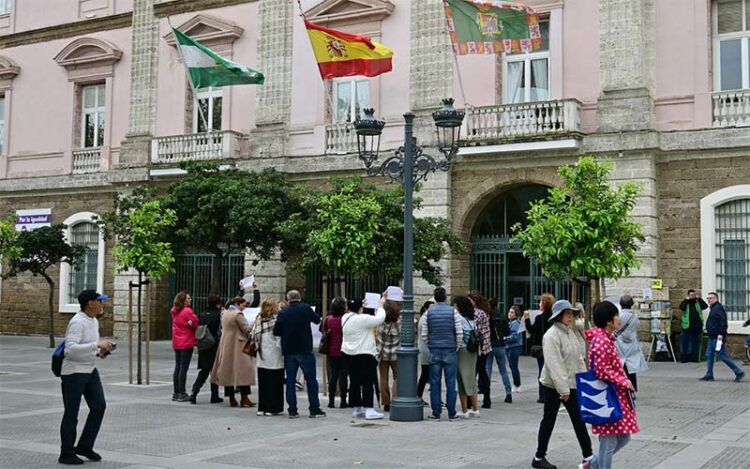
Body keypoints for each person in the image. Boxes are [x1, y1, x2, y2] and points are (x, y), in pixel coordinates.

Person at [532, 300, 593, 469]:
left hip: (570, 384)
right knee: (549, 420)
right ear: (558, 316)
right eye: (567, 313)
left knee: (578, 419)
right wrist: (564, 390)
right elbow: (555, 365)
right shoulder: (551, 336)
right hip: (554, 387)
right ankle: (539, 456)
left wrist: (584, 379)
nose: (571, 316)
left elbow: (578, 357)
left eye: (572, 313)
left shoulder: (569, 332)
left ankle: (588, 455)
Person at [58, 289, 114, 465]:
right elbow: (70, 349)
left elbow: (88, 348)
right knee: (71, 413)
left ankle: (84, 446)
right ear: (90, 303)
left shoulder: (93, 320)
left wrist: (100, 352)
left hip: (89, 370)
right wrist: (96, 344)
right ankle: (66, 453)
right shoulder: (77, 322)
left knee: (99, 406)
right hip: (73, 372)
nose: (102, 304)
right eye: (100, 301)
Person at [581, 301, 639, 469]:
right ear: (608, 321)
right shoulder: (601, 341)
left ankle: (592, 464)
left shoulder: (605, 339)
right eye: (616, 315)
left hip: (614, 395)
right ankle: (595, 465)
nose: (618, 318)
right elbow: (601, 370)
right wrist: (624, 381)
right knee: (609, 441)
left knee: (623, 437)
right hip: (606, 397)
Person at [273, 290, 327, 418]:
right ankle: (314, 408)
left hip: (289, 350)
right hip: (305, 349)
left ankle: (292, 410)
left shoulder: (283, 312)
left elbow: (276, 331)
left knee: (290, 381)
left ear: (288, 299)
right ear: (300, 298)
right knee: (311, 380)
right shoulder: (306, 308)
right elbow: (316, 320)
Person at [342, 293, 387, 420]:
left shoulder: (345, 317)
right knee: (368, 381)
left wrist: (360, 304)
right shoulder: (362, 319)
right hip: (364, 354)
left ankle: (356, 407)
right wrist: (380, 305)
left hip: (349, 354)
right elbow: (380, 318)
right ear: (360, 309)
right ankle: (369, 409)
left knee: (355, 382)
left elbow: (358, 311)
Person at [422, 287, 463, 420]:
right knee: (451, 382)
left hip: (434, 349)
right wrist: (455, 347)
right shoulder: (453, 312)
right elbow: (459, 333)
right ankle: (452, 412)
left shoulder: (429, 313)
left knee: (435, 382)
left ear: (434, 297)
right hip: (450, 349)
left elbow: (424, 334)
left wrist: (431, 345)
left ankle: (436, 412)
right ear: (445, 297)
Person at [211, 297, 256, 407]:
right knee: (244, 371)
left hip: (226, 343)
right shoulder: (238, 315)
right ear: (237, 304)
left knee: (228, 370)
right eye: (243, 305)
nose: (244, 308)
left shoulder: (225, 313)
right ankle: (244, 397)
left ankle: (231, 398)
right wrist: (254, 322)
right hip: (238, 344)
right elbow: (247, 330)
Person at [700, 292, 745, 382]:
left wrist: (720, 335)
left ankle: (738, 371)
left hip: (717, 337)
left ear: (716, 298)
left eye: (711, 298)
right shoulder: (714, 308)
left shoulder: (718, 308)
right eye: (708, 298)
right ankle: (709, 374)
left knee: (722, 356)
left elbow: (723, 323)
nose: (708, 300)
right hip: (712, 336)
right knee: (709, 355)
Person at [251, 297, 284, 416]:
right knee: (274, 382)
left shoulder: (259, 319)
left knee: (263, 382)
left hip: (261, 354)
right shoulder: (276, 321)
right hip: (274, 354)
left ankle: (262, 407)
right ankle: (272, 408)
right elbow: (279, 338)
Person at [189, 293, 223, 404]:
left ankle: (194, 392)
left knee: (204, 371)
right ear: (218, 304)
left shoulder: (202, 315)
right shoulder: (218, 315)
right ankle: (214, 395)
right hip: (214, 345)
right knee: (214, 371)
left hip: (204, 345)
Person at [526, 293, 555, 403]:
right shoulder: (554, 317)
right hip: (552, 347)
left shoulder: (539, 318)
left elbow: (531, 329)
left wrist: (527, 319)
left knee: (542, 371)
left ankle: (542, 395)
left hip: (541, 348)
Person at [615, 295, 647, 391]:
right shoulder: (634, 317)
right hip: (632, 343)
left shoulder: (618, 316)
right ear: (631, 305)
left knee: (621, 365)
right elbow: (636, 327)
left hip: (620, 343)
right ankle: (633, 387)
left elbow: (616, 328)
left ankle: (623, 386)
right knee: (631, 367)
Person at [454, 295, 480, 418]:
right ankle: (475, 408)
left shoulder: (458, 318)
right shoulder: (471, 318)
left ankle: (465, 410)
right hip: (473, 351)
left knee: (461, 379)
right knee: (471, 379)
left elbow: (459, 334)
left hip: (462, 350)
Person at [171, 291, 198, 402]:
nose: (190, 299)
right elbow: (196, 323)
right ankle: (182, 392)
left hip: (177, 341)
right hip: (186, 341)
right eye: (188, 298)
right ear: (183, 301)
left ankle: (176, 392)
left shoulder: (174, 311)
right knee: (184, 367)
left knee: (178, 366)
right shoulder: (187, 311)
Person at [376, 290, 402, 412]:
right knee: (397, 377)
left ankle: (386, 402)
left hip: (383, 353)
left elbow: (378, 309)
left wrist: (383, 297)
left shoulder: (380, 321)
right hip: (396, 354)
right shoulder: (400, 320)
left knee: (383, 377)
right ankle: (395, 399)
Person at [322, 297, 349, 409]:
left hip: (331, 351)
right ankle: (343, 400)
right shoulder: (345, 319)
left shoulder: (328, 319)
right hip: (344, 350)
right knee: (343, 375)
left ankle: (331, 401)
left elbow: (323, 330)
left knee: (333, 376)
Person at [468, 291, 493, 408]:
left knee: (474, 373)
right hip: (485, 346)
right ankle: (487, 398)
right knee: (482, 372)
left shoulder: (477, 313)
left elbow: (473, 328)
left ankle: (469, 400)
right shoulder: (485, 311)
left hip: (478, 347)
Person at [486, 297, 513, 406]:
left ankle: (486, 394)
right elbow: (507, 332)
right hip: (500, 345)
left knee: (488, 369)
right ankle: (508, 393)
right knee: (503, 370)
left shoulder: (487, 316)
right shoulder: (502, 316)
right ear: (497, 305)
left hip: (489, 345)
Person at [679, 289, 707, 363]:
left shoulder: (697, 302)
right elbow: (681, 307)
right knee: (685, 342)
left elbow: (705, 306)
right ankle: (684, 358)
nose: (693, 296)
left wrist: (699, 298)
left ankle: (694, 358)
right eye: (691, 295)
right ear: (688, 295)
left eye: (694, 295)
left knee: (695, 342)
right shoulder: (686, 302)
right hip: (686, 326)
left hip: (697, 326)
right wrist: (686, 300)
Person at [416, 299, 435, 404]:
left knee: (426, 374)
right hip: (426, 351)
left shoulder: (426, 318)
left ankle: (419, 395)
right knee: (426, 374)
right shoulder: (425, 319)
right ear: (427, 308)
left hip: (426, 350)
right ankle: (419, 395)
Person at [504, 305, 524, 394]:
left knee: (514, 366)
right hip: (511, 347)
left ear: (516, 314)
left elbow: (514, 336)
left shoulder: (515, 323)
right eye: (509, 312)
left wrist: (504, 339)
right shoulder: (511, 322)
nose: (509, 314)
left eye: (512, 312)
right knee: (512, 366)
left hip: (514, 347)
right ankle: (517, 384)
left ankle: (517, 384)